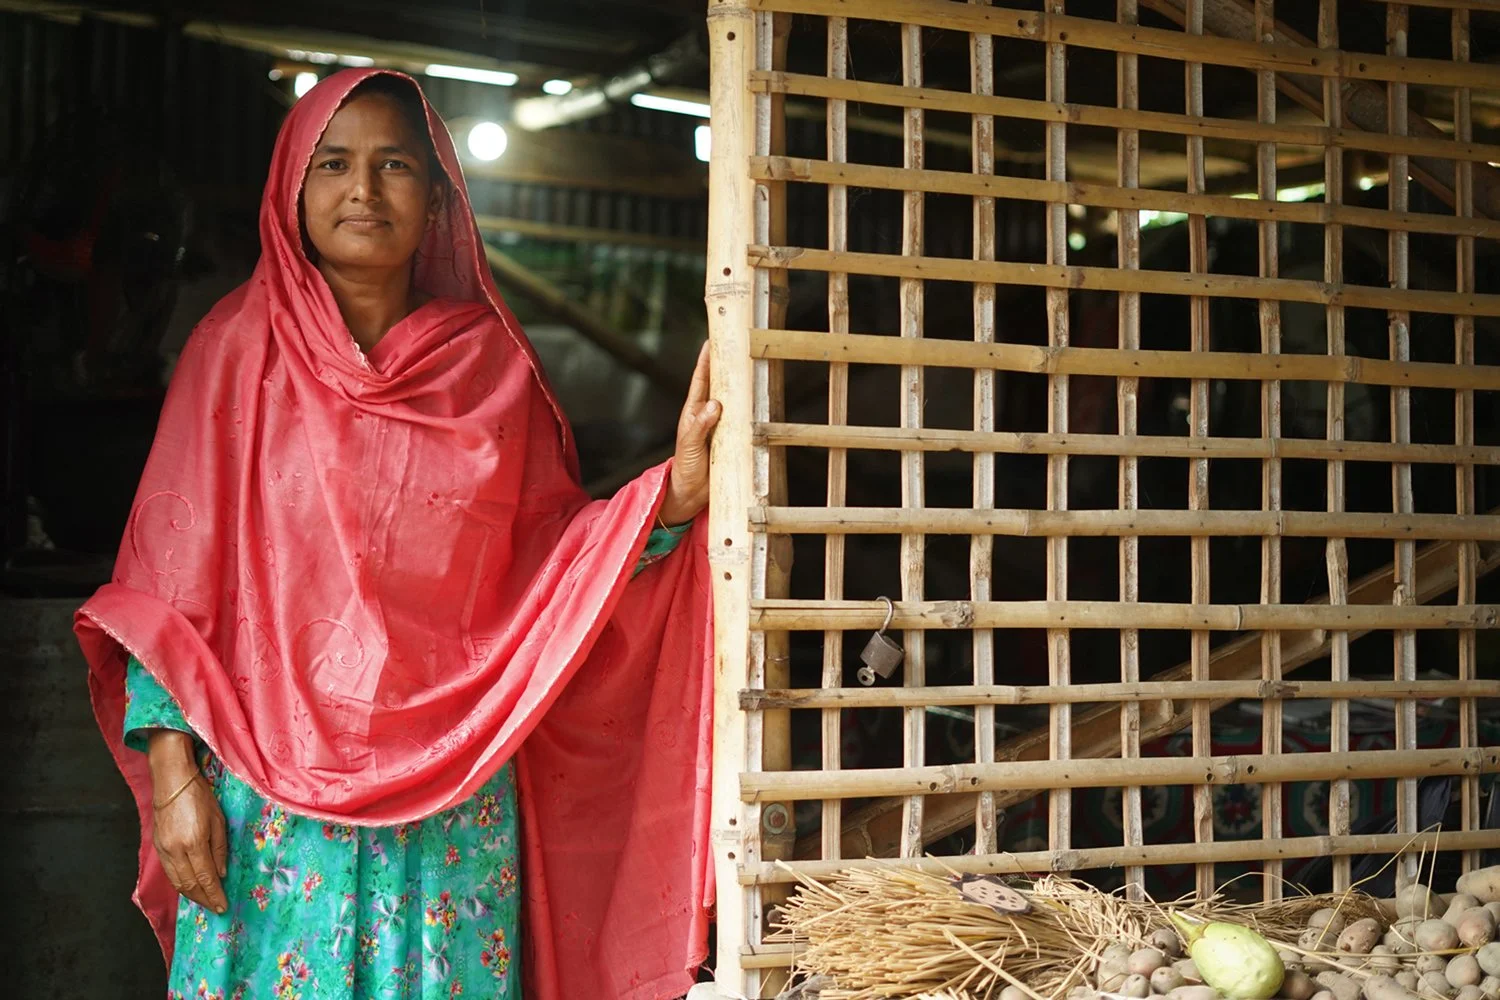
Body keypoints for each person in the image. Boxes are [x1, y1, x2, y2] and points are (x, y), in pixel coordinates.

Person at [75, 68, 717, 1000]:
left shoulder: (492, 370)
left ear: (438, 198)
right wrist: (174, 780)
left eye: (396, 166)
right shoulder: (236, 350)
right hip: (268, 805)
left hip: (454, 803)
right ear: (292, 191)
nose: (364, 191)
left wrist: (672, 498)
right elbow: (163, 590)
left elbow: (556, 576)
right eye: (333, 164)